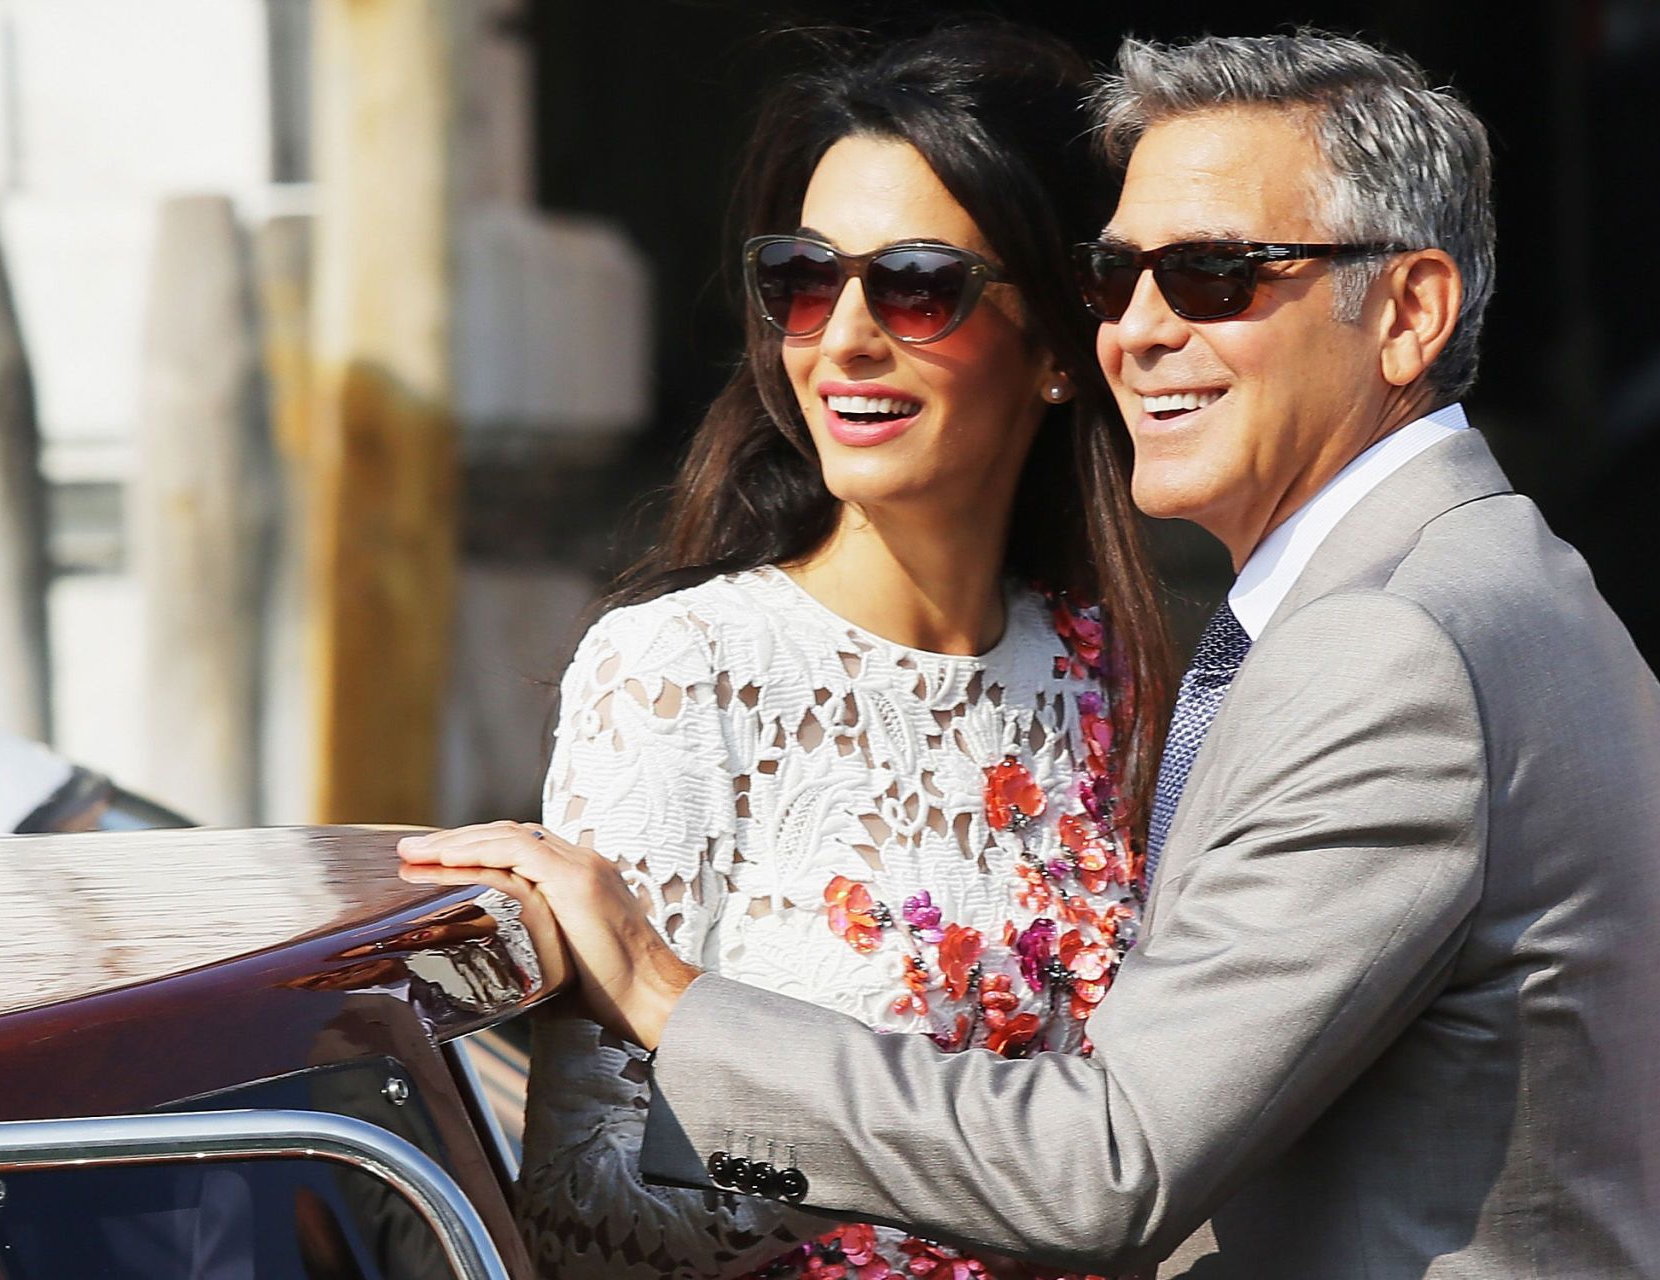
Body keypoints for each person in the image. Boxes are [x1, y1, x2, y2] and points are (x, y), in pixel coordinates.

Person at [403, 30, 1660, 1279]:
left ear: (1408, 312)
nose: (1146, 325)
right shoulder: (1526, 598)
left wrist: (661, 993)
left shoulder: (1357, 653)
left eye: (1216, 274)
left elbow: (1110, 1163)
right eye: (1120, 274)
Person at [477, 24, 1172, 1280]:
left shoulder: (1106, 674)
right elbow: (580, 1217)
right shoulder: (681, 670)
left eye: (916, 284)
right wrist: (889, 1157)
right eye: (803, 277)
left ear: (1062, 348)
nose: (842, 335)